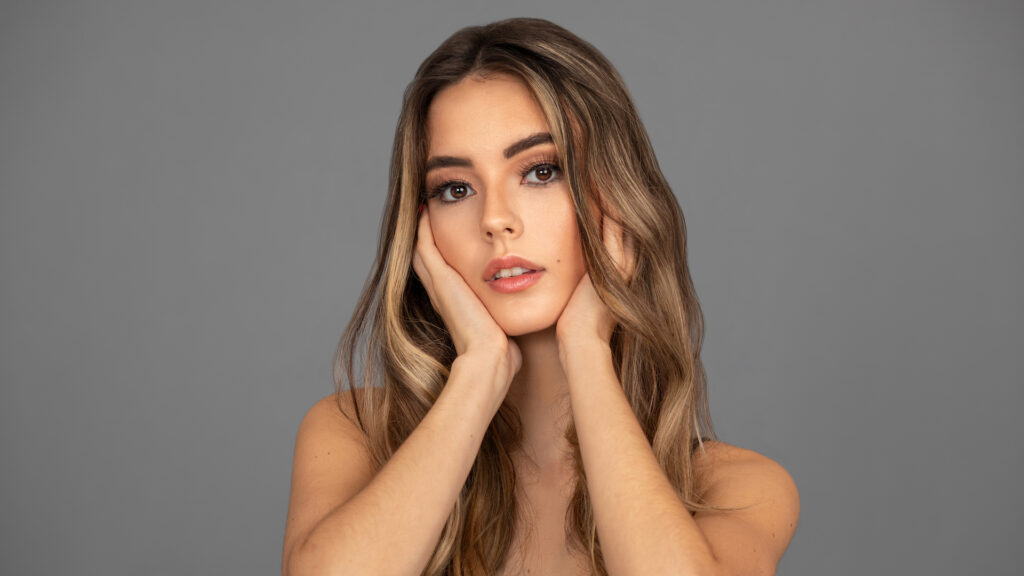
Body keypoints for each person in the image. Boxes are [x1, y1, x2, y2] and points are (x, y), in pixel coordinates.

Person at [282, 17, 799, 576]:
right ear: (421, 226)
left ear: (619, 199)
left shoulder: (736, 487)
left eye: (541, 171)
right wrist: (479, 371)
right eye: (456, 188)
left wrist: (587, 348)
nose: (495, 219)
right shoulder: (356, 433)